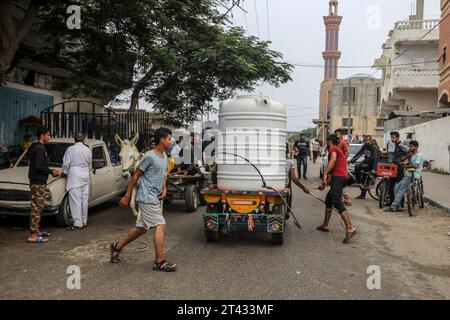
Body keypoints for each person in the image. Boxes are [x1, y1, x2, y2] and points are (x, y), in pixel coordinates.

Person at [110, 127, 177, 272]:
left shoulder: (165, 157)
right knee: (160, 224)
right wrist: (127, 196)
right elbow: (136, 176)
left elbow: (163, 176)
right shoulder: (149, 156)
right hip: (146, 197)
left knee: (141, 229)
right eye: (169, 139)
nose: (171, 142)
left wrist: (164, 188)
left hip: (155, 196)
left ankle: (117, 246)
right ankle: (159, 262)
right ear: (162, 140)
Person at [317, 134, 357, 244]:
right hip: (339, 178)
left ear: (329, 141)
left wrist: (325, 172)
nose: (325, 143)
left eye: (326, 141)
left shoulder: (333, 148)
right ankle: (325, 224)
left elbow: (333, 161)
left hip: (339, 178)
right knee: (329, 200)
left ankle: (350, 227)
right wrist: (325, 183)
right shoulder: (338, 149)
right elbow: (335, 169)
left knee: (336, 202)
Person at [27, 127, 60, 243]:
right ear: (42, 136)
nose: (49, 137)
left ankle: (36, 230)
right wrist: (51, 171)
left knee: (39, 207)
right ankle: (32, 235)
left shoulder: (36, 147)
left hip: (37, 181)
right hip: (38, 182)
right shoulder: (39, 149)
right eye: (48, 135)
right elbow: (39, 166)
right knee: (36, 208)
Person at [62, 132, 92, 230]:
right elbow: (89, 162)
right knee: (84, 199)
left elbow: (66, 164)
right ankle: (84, 221)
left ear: (74, 139)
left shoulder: (70, 149)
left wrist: (64, 172)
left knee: (75, 200)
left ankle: (78, 223)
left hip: (74, 175)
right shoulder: (87, 149)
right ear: (83, 140)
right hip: (85, 174)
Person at [384, 140, 424, 212]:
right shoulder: (412, 155)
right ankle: (398, 206)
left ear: (416, 147)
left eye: (411, 147)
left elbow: (415, 165)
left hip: (413, 175)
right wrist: (406, 160)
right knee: (396, 188)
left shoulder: (419, 155)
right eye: (409, 146)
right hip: (408, 174)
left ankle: (393, 206)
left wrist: (406, 166)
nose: (410, 148)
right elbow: (405, 159)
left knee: (400, 190)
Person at [349, 135, 380, 199]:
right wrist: (352, 160)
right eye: (365, 140)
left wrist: (374, 168)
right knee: (363, 179)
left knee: (357, 167)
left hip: (371, 164)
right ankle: (362, 195)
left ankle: (358, 182)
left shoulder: (374, 147)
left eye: (367, 140)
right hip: (366, 162)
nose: (366, 141)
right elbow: (359, 153)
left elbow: (374, 158)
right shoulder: (365, 146)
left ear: (371, 140)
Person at [388, 131, 409, 207]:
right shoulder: (396, 145)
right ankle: (392, 203)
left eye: (393, 137)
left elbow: (409, 151)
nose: (392, 139)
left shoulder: (400, 145)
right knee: (392, 186)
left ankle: (400, 204)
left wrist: (404, 160)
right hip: (394, 168)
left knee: (399, 186)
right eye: (391, 137)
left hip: (399, 168)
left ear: (398, 137)